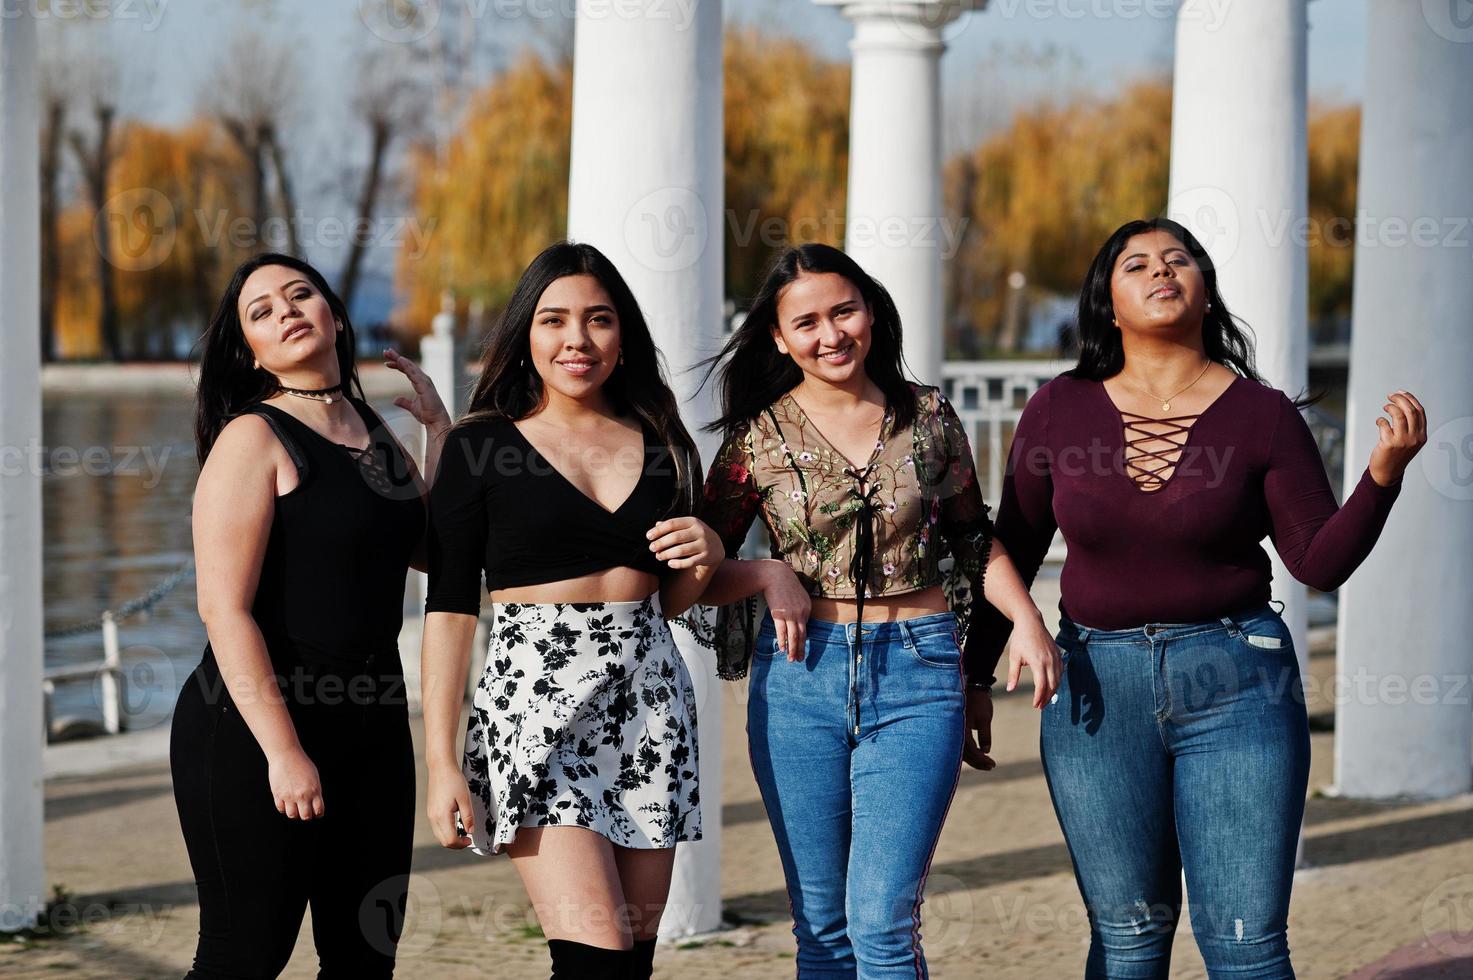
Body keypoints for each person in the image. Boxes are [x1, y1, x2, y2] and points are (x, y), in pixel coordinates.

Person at [974, 217, 1427, 979]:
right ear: (1105, 302)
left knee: (1246, 946)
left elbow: (1318, 562)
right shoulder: (1058, 407)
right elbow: (1010, 547)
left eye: (1178, 259)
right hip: (1094, 688)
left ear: (1205, 290)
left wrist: (1381, 475)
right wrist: (970, 674)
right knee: (1125, 940)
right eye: (1136, 264)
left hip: (1237, 682)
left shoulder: (1263, 414)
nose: (1161, 272)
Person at [696, 242, 1061, 978]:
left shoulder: (925, 416)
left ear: (870, 313)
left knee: (883, 922)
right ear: (777, 337)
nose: (830, 334)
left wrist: (1026, 617)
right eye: (806, 322)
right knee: (822, 931)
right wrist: (767, 573)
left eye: (843, 311)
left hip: (918, 673)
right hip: (800, 679)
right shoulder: (754, 439)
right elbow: (701, 575)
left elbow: (969, 538)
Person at [420, 241, 723, 980]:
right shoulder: (481, 445)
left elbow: (674, 599)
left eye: (598, 320)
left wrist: (708, 555)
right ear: (525, 335)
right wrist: (439, 760)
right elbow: (451, 609)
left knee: (632, 966)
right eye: (553, 320)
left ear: (623, 338)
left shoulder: (663, 443)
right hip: (535, 710)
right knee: (594, 962)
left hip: (651, 704)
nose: (576, 340)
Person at [171, 252, 451, 978]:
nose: (286, 311)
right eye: (261, 311)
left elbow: (430, 549)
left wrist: (439, 433)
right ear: (251, 351)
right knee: (245, 955)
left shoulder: (366, 425)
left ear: (332, 313)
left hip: (373, 726)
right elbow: (222, 609)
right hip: (254, 731)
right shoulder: (252, 438)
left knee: (365, 959)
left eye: (300, 295)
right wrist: (284, 752)